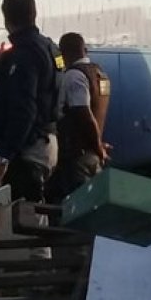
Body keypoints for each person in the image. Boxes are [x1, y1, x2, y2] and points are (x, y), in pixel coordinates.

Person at [0, 0, 61, 201]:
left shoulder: (24, 53)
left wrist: (3, 157)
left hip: (28, 150)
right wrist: (3, 66)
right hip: (44, 142)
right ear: (34, 13)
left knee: (25, 219)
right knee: (36, 213)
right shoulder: (49, 47)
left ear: (6, 17)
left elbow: (24, 109)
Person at [51, 33, 111, 200]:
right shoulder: (100, 74)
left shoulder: (73, 76)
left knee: (76, 207)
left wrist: (98, 147)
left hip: (77, 156)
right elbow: (98, 110)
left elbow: (83, 114)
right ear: (84, 49)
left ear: (63, 52)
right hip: (91, 154)